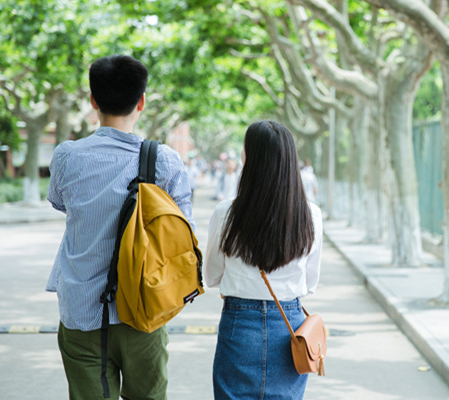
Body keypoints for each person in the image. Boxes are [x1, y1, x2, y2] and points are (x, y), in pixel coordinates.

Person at [47, 54, 194, 400]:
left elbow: (59, 202)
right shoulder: (166, 161)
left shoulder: (67, 156)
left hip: (82, 311)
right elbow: (182, 229)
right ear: (141, 101)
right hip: (145, 309)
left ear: (93, 101)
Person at [204, 120, 323, 400]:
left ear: (249, 159)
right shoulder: (311, 215)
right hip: (290, 325)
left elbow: (211, 276)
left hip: (238, 325)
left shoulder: (226, 213)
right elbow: (309, 282)